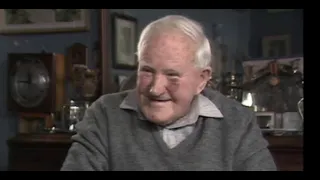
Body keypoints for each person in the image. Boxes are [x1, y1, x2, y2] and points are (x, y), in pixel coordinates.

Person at [61, 15, 277, 171]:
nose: (155, 89)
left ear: (202, 79)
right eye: (146, 71)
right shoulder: (104, 114)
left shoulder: (237, 121)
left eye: (172, 76)